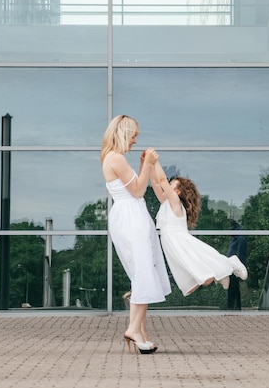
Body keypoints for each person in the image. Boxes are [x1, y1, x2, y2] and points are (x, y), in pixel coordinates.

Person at [101, 115, 171, 355]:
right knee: (144, 273)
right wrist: (150, 164)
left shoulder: (112, 158)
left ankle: (140, 333)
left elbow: (134, 187)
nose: (134, 141)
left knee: (142, 274)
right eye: (133, 136)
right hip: (132, 217)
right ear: (123, 133)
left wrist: (143, 166)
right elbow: (139, 191)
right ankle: (133, 328)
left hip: (129, 215)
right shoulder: (116, 159)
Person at [149, 160, 247, 297]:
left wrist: (155, 161)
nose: (167, 186)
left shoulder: (175, 202)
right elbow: (155, 182)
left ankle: (230, 263)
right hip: (170, 245)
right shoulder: (166, 203)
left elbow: (161, 180)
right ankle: (221, 274)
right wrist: (148, 165)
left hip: (180, 241)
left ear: (177, 192)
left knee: (206, 279)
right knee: (190, 287)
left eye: (171, 185)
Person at [226, 220, 248, 310]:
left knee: (233, 288)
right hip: (231, 267)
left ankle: (232, 307)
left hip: (235, 268)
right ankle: (234, 307)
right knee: (233, 288)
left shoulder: (240, 240)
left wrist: (239, 268)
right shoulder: (234, 240)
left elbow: (240, 255)